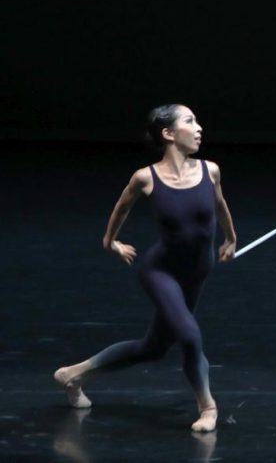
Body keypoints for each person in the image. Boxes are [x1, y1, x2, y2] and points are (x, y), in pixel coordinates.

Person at [53, 104, 238, 432]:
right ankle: (208, 407)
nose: (199, 128)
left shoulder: (211, 170)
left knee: (152, 349)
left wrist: (231, 239)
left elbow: (220, 204)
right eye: (190, 121)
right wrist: (111, 241)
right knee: (190, 335)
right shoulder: (146, 177)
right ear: (168, 133)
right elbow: (122, 206)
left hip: (198, 271)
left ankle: (72, 374)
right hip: (161, 272)